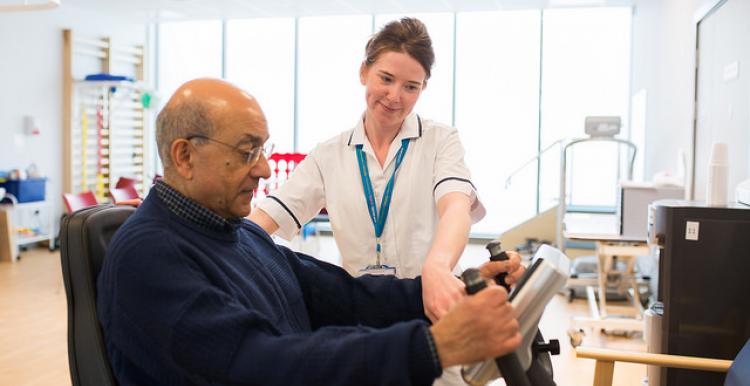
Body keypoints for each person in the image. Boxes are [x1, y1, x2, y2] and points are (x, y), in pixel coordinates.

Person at [97, 78, 525, 386]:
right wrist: (431, 348)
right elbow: (255, 362)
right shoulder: (148, 257)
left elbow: (345, 295)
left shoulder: (237, 234)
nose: (264, 168)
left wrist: (450, 291)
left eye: (262, 149)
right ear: (185, 156)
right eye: (248, 152)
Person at [249, 18, 485, 385]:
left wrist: (437, 268)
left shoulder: (441, 140)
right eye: (386, 79)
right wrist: (194, 225)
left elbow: (456, 205)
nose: (395, 97)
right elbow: (265, 220)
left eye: (411, 86)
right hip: (364, 323)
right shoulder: (330, 154)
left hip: (429, 311)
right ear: (364, 72)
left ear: (423, 88)